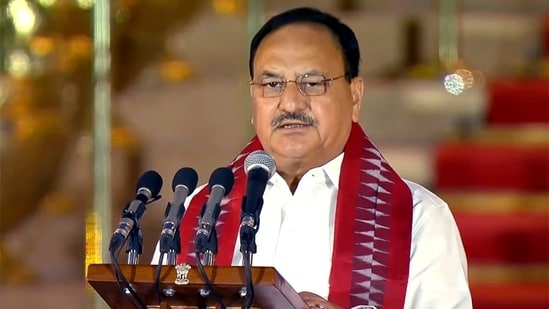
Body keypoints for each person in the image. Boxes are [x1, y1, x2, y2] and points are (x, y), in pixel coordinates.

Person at [154, 6, 472, 309]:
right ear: (253, 100)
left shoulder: (419, 218)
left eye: (313, 82)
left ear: (355, 96)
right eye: (272, 84)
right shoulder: (198, 216)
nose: (290, 102)